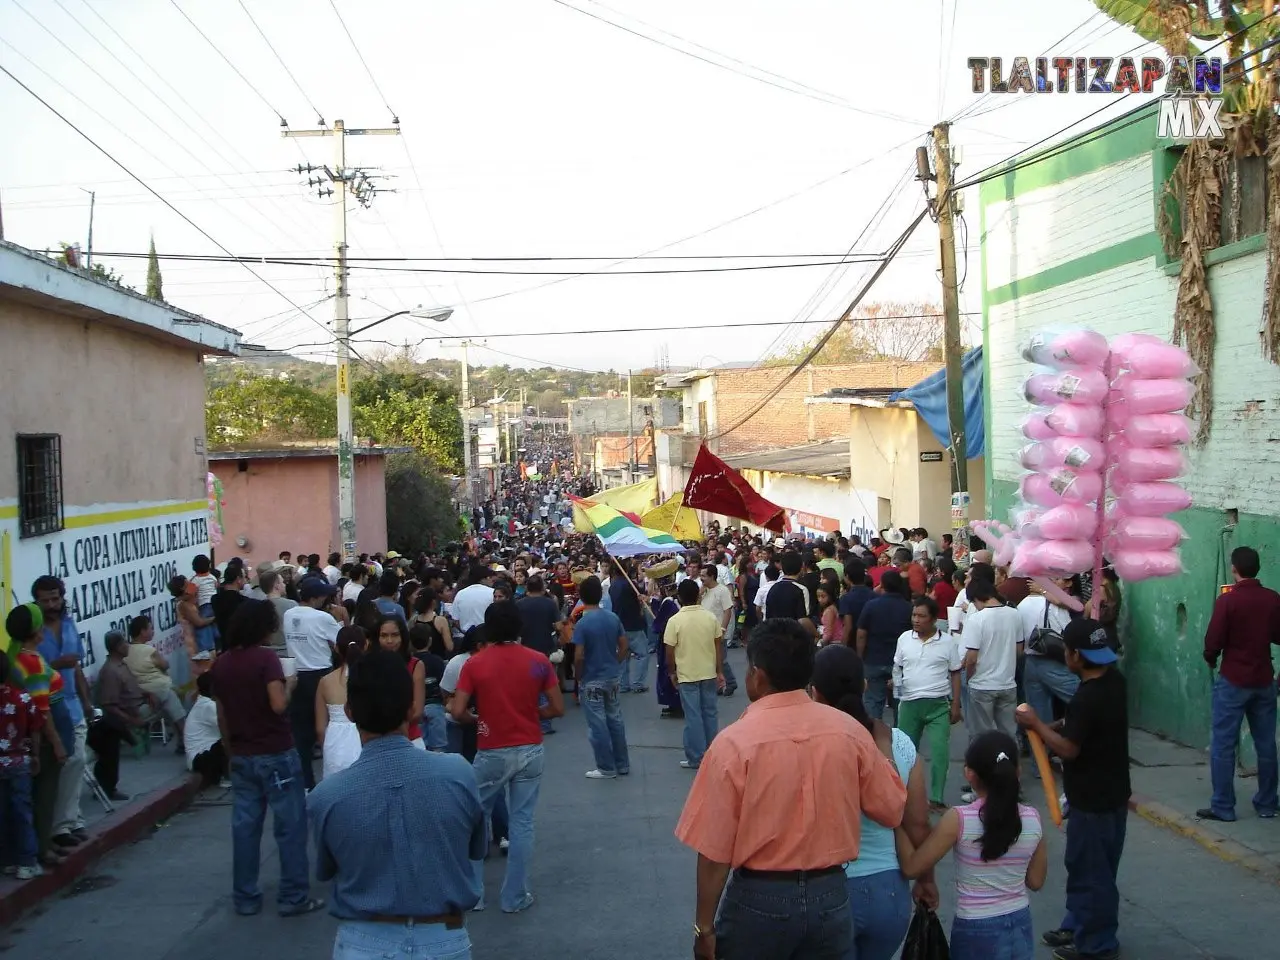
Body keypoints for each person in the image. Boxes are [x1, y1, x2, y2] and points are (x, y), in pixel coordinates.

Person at [674, 618, 907, 960]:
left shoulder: (734, 743)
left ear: (758, 675)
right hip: (830, 894)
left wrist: (703, 927)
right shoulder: (850, 732)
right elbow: (890, 809)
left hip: (759, 897)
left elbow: (713, 852)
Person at [309, 648, 486, 960]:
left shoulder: (327, 796)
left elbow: (327, 868)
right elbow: (476, 848)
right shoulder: (458, 773)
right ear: (410, 709)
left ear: (350, 712)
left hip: (362, 941)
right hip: (443, 937)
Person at [809, 645, 934, 960]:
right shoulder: (900, 745)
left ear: (814, 692)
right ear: (864, 685)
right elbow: (918, 823)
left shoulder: (807, 749)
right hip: (888, 893)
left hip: (826, 889)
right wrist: (926, 879)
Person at [1016, 619, 1131, 960]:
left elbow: (1069, 748)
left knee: (1091, 872)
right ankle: (1078, 923)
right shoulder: (1113, 682)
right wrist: (1053, 727)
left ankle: (1096, 943)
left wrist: (1036, 724)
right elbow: (1079, 727)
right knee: (1094, 868)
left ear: (1075, 656)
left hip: (1093, 799)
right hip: (1112, 794)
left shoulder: (1088, 697)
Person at [450, 601, 565, 913]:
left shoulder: (474, 664)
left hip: (491, 750)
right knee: (522, 822)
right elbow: (556, 708)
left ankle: (474, 895)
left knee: (475, 817)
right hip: (529, 747)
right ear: (519, 627)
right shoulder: (538, 661)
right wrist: (531, 711)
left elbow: (458, 710)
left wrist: (480, 718)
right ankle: (515, 896)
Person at [211, 600, 323, 918]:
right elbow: (277, 705)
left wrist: (231, 750)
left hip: (243, 753)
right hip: (275, 751)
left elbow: (222, 714)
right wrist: (289, 687)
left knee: (245, 828)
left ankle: (245, 896)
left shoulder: (222, 664)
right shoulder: (266, 660)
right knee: (290, 825)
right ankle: (293, 896)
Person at [898, 731, 1047, 960]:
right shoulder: (1033, 818)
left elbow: (912, 867)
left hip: (977, 929)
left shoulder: (959, 819)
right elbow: (1036, 881)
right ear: (1017, 772)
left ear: (969, 773)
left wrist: (894, 821)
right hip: (1020, 923)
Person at [1200, 545, 1280, 822]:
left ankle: (1223, 806)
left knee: (1223, 743)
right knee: (1266, 744)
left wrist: (1211, 659)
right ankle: (1268, 804)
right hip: (1263, 679)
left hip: (1233, 679)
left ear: (1234, 569)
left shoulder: (1228, 602)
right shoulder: (1272, 599)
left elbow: (1213, 641)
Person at [31, 575, 91, 852]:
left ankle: (71, 821)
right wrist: (57, 663)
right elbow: (30, 668)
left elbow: (76, 666)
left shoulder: (68, 623)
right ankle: (58, 828)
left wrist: (87, 702)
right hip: (48, 705)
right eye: (46, 601)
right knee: (62, 764)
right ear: (37, 602)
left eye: (55, 598)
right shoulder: (33, 631)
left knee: (78, 760)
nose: (52, 604)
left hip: (73, 703)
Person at [892, 596, 963, 810]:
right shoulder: (904, 638)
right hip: (909, 704)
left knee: (940, 752)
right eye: (914, 615)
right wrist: (897, 688)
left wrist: (956, 705)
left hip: (938, 705)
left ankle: (936, 798)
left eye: (921, 616)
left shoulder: (948, 642)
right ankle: (902, 797)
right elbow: (897, 667)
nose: (916, 620)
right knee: (903, 754)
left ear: (933, 619)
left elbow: (955, 674)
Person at [283, 578, 342, 790]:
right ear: (316, 597)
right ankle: (333, 780)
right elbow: (340, 644)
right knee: (328, 730)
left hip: (296, 675)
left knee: (301, 734)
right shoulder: (323, 617)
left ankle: (306, 784)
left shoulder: (289, 614)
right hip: (320, 675)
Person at [572, 576, 631, 780]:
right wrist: (615, 661)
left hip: (592, 677)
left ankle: (606, 766)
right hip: (612, 675)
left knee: (597, 723)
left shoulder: (582, 624)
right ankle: (622, 763)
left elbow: (579, 655)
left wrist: (578, 676)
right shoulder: (612, 618)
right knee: (615, 719)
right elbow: (624, 645)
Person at [664, 578, 724, 770]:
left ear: (679, 597)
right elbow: (717, 646)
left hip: (687, 674)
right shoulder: (710, 618)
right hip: (708, 672)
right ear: (698, 595)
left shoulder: (674, 621)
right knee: (710, 713)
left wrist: (671, 672)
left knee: (693, 716)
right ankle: (713, 753)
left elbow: (669, 651)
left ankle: (696, 757)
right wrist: (719, 670)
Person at [963, 578, 1025, 745]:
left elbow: (971, 657)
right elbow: (1019, 650)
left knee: (980, 737)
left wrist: (968, 677)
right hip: (1008, 684)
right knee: (1009, 735)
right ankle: (1009, 765)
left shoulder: (976, 619)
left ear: (976, 598)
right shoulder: (1015, 614)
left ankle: (983, 768)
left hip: (981, 684)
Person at [856, 570, 912, 723]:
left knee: (873, 702)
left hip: (874, 659)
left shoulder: (872, 605)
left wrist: (860, 656)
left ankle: (875, 737)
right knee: (899, 702)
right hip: (900, 663)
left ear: (883, 585)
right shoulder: (908, 608)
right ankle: (900, 738)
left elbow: (861, 633)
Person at [123, 615, 187, 743]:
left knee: (171, 698)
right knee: (173, 696)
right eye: (150, 628)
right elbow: (164, 665)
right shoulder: (149, 650)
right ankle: (184, 737)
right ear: (142, 631)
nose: (153, 631)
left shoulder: (126, 651)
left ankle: (182, 737)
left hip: (144, 691)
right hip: (156, 690)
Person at [316, 627, 367, 779]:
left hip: (335, 744)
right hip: (366, 740)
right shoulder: (374, 678)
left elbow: (320, 728)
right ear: (365, 646)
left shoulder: (325, 682)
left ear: (337, 648)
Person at [375, 616, 427, 750]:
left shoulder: (416, 665)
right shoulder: (370, 666)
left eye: (395, 635)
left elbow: (417, 711)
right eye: (384, 636)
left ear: (403, 636)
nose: (389, 641)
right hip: (377, 742)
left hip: (410, 739)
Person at [609, 561, 651, 694]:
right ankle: (638, 683)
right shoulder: (629, 585)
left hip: (619, 624)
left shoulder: (613, 585)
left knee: (624, 654)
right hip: (633, 624)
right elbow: (641, 598)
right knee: (642, 654)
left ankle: (623, 684)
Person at [185, 672, 228, 788]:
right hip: (200, 759)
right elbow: (229, 726)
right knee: (229, 741)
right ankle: (226, 777)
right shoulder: (208, 706)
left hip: (200, 756)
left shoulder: (204, 703)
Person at [839, 559, 874, 646]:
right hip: (872, 642)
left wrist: (842, 647)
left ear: (847, 576)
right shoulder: (875, 595)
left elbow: (848, 627)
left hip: (853, 643)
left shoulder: (846, 598)